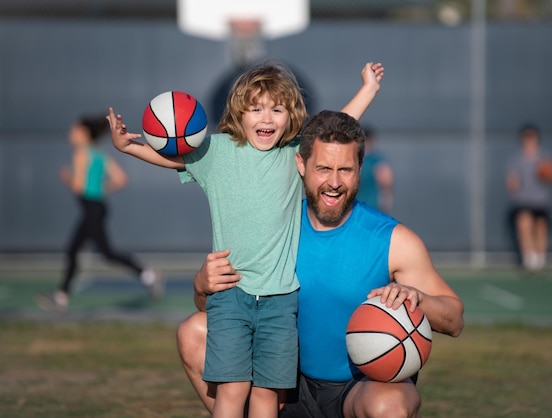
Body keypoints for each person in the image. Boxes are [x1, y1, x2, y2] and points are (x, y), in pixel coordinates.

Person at [108, 62, 384, 418]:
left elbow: (338, 128)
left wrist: (369, 88)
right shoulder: (215, 152)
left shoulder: (293, 157)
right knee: (233, 388)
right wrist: (127, 147)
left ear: (291, 115)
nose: (265, 117)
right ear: (239, 113)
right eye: (255, 109)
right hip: (230, 296)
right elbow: (171, 156)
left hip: (281, 301)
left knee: (269, 396)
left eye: (276, 109)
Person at [177, 110, 465, 418]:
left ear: (360, 169)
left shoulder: (394, 240)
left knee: (389, 406)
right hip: (282, 381)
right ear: (301, 165)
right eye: (323, 169)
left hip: (359, 388)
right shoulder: (273, 228)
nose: (334, 182)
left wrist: (417, 297)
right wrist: (201, 286)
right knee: (194, 333)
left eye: (346, 170)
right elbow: (223, 311)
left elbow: (455, 319)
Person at [37, 115, 162, 314]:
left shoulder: (80, 154)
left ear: (84, 134)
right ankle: (61, 297)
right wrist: (100, 189)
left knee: (102, 253)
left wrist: (67, 177)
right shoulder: (99, 154)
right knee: (80, 251)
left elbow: (79, 187)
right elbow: (121, 179)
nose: (71, 134)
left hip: (91, 208)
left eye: (74, 130)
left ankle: (147, 275)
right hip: (97, 207)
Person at [506, 123, 552, 271]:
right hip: (523, 199)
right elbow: (512, 179)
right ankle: (529, 259)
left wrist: (548, 175)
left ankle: (540, 259)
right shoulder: (517, 159)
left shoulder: (544, 157)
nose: (529, 140)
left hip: (540, 200)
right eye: (526, 137)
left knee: (541, 228)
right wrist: (512, 185)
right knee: (524, 224)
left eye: (532, 137)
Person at [356, 125, 394, 213]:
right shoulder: (375, 160)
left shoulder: (352, 160)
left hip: (355, 207)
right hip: (372, 207)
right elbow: (387, 181)